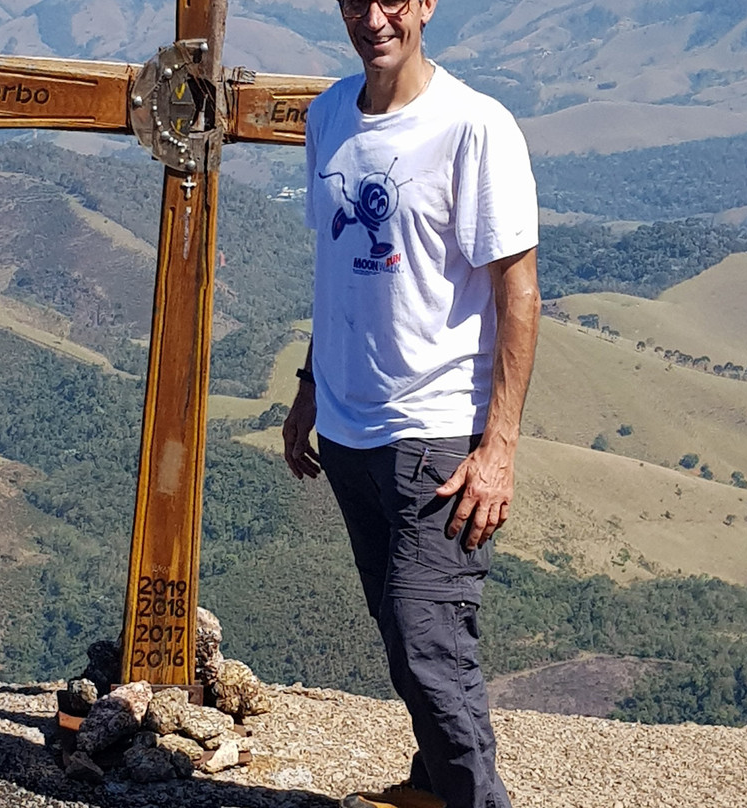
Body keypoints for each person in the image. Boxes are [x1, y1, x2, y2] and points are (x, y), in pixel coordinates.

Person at [281, 0, 540, 806]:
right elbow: (338, 274)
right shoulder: (329, 116)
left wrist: (498, 449)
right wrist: (309, 388)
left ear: (427, 4)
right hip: (349, 430)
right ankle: (434, 787)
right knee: (405, 633)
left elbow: (520, 293)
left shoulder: (473, 126)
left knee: (429, 647)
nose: (373, 18)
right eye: (355, 0)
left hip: (437, 437)